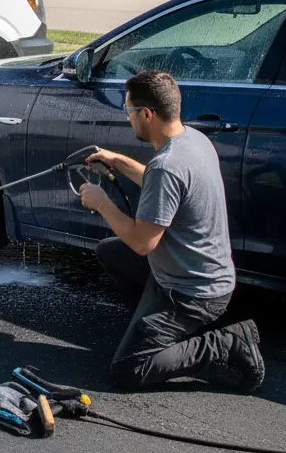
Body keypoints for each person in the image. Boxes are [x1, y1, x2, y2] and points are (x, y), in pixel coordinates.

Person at [78, 70, 264, 393]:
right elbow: (159, 182)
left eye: (128, 111)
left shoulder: (167, 165)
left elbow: (141, 242)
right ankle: (155, 330)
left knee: (128, 369)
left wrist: (102, 203)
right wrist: (117, 161)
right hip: (200, 273)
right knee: (108, 251)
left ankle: (228, 344)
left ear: (147, 114)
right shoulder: (192, 140)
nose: (128, 118)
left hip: (193, 293)